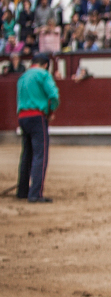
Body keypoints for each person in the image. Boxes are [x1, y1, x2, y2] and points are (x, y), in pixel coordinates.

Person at [16, 52, 59, 203]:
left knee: (26, 154)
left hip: (22, 117)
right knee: (40, 155)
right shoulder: (43, 74)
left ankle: (22, 191)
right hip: (37, 117)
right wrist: (50, 111)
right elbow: (54, 96)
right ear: (46, 65)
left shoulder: (23, 77)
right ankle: (35, 194)